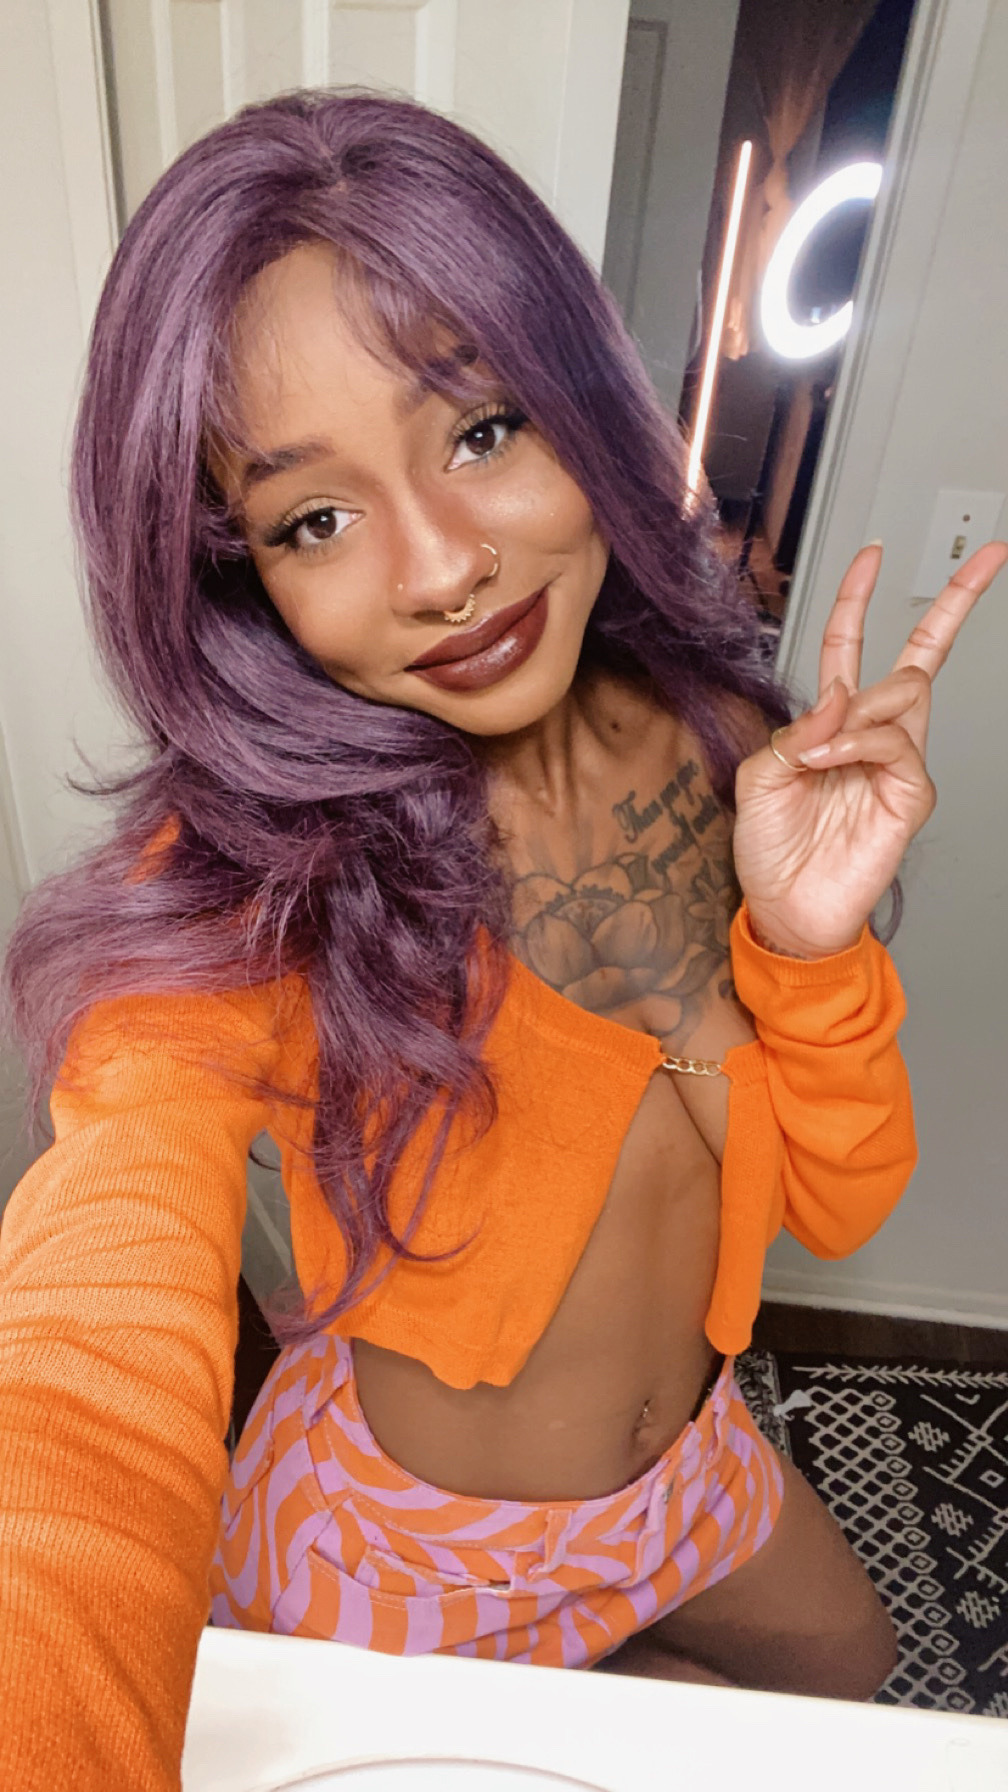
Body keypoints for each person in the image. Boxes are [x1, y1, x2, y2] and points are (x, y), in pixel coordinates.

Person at [0, 86, 1004, 1791]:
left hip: (687, 1475)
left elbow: (838, 1203)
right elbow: (90, 1326)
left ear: (582, 402)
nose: (442, 569)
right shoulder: (256, 869)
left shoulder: (714, 741)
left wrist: (807, 950)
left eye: (480, 431)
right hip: (398, 1552)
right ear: (241, 581)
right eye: (315, 519)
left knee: (848, 1669)